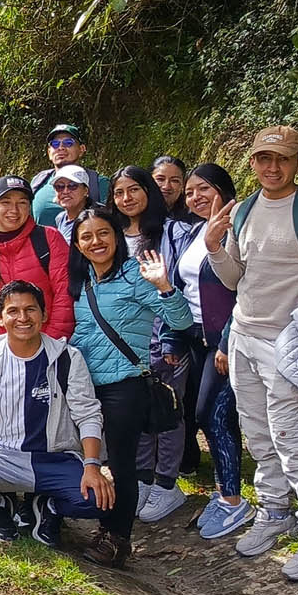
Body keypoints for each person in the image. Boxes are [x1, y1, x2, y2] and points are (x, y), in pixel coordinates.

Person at [204, 124, 298, 582]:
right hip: (245, 337)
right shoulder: (245, 209)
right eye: (264, 158)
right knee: (257, 433)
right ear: (252, 162)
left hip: (290, 343)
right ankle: (274, 511)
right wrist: (213, 246)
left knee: (291, 437)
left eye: (283, 159)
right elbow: (235, 278)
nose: (273, 167)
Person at [64, 211, 193, 568]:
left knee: (122, 464)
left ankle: (116, 538)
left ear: (116, 237)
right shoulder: (79, 281)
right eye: (87, 236)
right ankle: (95, 523)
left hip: (125, 385)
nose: (96, 242)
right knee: (89, 458)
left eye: (103, 233)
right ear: (77, 244)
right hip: (85, 386)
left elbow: (181, 320)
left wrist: (164, 286)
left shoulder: (136, 276)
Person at [0, 282, 114, 546]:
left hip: (55, 457)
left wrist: (92, 466)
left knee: (97, 500)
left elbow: (88, 414)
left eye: (30, 309)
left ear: (44, 314)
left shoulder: (67, 357)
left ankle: (49, 508)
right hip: (1, 454)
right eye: (13, 311)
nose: (22, 318)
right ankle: (1, 506)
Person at [108, 165, 200, 520]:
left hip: (164, 336)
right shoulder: (112, 234)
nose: (126, 198)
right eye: (119, 192)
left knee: (168, 410)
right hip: (127, 342)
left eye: (134, 189)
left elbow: (183, 285)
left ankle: (167, 483)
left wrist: (173, 339)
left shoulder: (171, 232)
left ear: (148, 191)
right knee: (140, 411)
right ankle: (144, 477)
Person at [174, 164, 254, 540]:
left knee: (213, 415)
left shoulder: (240, 229)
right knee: (206, 415)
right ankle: (224, 492)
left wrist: (226, 342)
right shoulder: (196, 230)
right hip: (196, 340)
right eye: (190, 191)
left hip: (224, 341)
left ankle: (233, 500)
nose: (196, 197)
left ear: (224, 189)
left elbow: (246, 291)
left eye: (204, 189)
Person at [0, 176, 75, 346]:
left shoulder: (48, 238)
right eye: (6, 202)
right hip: (0, 347)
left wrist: (50, 344)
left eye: (22, 203)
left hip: (46, 342)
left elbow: (65, 295)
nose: (14, 210)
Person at [30, 124, 109, 228]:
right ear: (49, 152)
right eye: (55, 144)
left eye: (68, 143)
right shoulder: (38, 182)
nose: (61, 148)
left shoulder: (99, 183)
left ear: (81, 149)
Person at [49, 164, 93, 243]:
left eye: (72, 186)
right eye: (59, 186)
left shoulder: (94, 220)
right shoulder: (60, 218)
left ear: (85, 191)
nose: (65, 191)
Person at [152, 155, 199, 224]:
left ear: (183, 185)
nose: (166, 186)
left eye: (174, 181)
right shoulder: (137, 214)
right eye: (160, 179)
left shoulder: (194, 220)